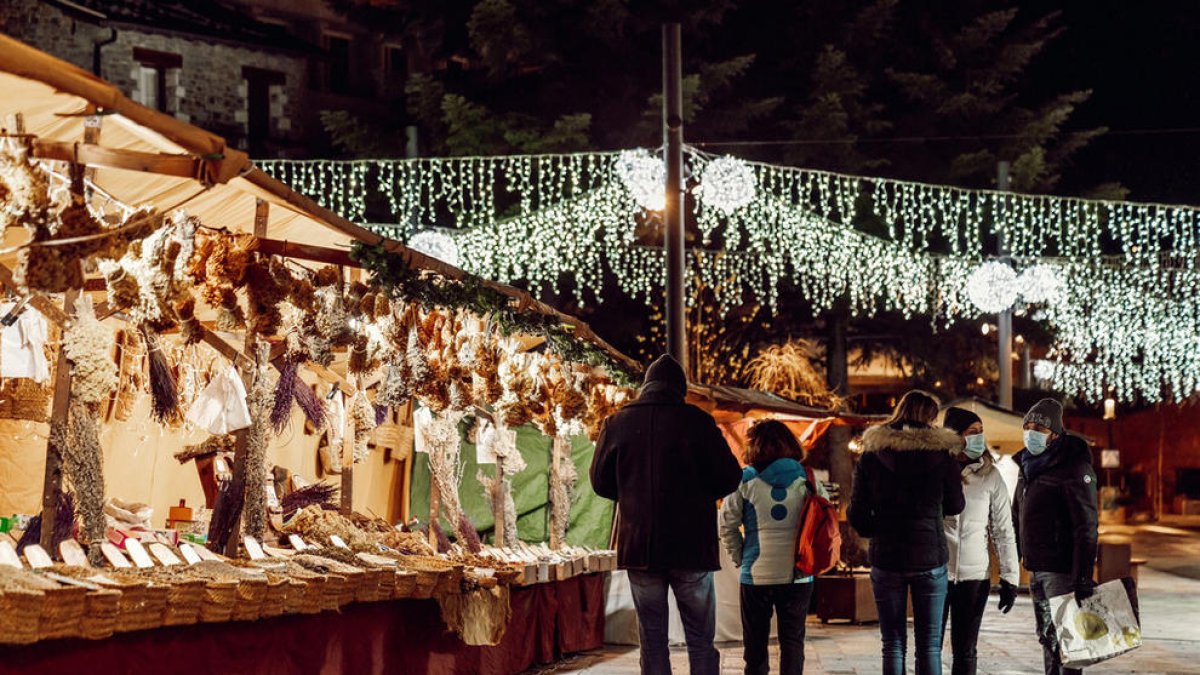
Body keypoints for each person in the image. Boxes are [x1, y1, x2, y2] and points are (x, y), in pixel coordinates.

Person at [591, 354, 742, 675]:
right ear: (680, 388)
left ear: (646, 386)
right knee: (700, 637)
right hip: (691, 547)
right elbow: (730, 477)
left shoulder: (617, 423)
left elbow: (599, 483)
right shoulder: (698, 422)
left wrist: (633, 495)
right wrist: (700, 495)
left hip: (640, 545)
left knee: (653, 636)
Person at [848, 390, 965, 675]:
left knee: (892, 643)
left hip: (887, 557)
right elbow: (955, 505)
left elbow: (857, 512)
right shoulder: (943, 456)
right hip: (930, 557)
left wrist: (877, 531)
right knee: (929, 645)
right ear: (930, 417)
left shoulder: (872, 456)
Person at [719, 419, 829, 675]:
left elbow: (726, 525)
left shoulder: (743, 480)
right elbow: (824, 523)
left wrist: (741, 558)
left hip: (756, 575)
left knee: (755, 646)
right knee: (792, 643)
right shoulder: (809, 479)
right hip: (798, 574)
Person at [1013, 398, 1099, 675]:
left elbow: (1086, 525)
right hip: (1036, 567)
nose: (1031, 432)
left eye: (1039, 427)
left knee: (1069, 640)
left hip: (1061, 570)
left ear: (1055, 434)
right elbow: (1019, 514)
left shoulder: (1073, 467)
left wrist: (1083, 575)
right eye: (1027, 426)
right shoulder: (1028, 466)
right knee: (1048, 637)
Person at [940, 407, 1020, 675]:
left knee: (965, 650)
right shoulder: (937, 470)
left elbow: (1003, 529)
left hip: (975, 577)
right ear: (955, 436)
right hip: (936, 573)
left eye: (981, 432)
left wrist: (1010, 577)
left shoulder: (990, 475)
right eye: (972, 432)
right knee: (930, 647)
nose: (979, 438)